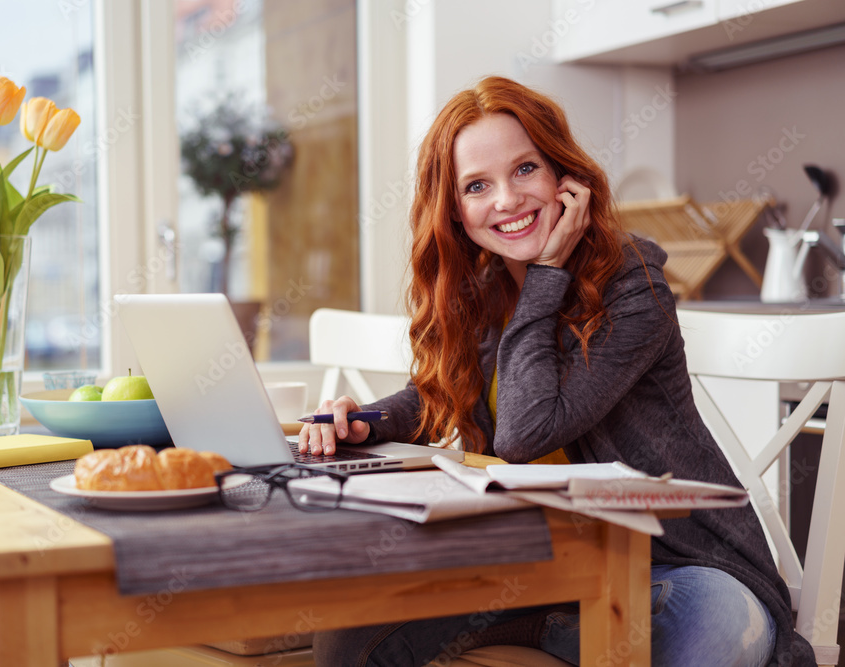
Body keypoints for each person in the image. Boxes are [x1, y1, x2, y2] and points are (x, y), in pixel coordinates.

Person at [300, 76, 816, 667]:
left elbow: (525, 432)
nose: (507, 200)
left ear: (562, 176)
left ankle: (565, 632)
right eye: (477, 185)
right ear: (457, 213)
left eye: (525, 170)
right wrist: (366, 421)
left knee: (719, 628)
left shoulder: (633, 282)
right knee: (349, 637)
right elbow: (445, 391)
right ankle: (562, 629)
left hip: (678, 568)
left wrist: (547, 274)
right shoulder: (486, 289)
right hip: (546, 569)